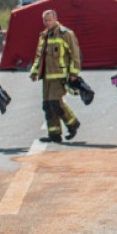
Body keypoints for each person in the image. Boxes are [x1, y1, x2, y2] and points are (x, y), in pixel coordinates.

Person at [29, 10, 82, 143]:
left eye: (49, 20)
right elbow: (39, 56)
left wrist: (74, 73)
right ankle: (54, 134)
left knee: (55, 102)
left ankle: (72, 123)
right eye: (45, 20)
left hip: (60, 76)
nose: (47, 23)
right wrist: (34, 71)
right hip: (46, 76)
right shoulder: (44, 36)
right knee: (47, 105)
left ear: (56, 19)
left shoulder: (66, 34)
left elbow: (75, 55)